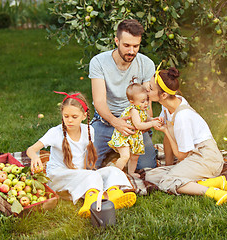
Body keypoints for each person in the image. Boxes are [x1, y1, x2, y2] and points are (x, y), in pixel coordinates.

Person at [26, 91, 136, 218]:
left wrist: (88, 173)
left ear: (84, 116)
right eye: (66, 116)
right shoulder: (55, 132)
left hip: (80, 175)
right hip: (58, 176)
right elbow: (31, 149)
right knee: (90, 176)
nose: (69, 120)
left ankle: (114, 195)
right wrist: (34, 157)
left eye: (74, 116)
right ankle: (90, 203)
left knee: (113, 171)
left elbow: (84, 158)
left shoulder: (89, 130)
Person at [145, 64, 227, 205]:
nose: (147, 88)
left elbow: (182, 155)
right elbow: (168, 140)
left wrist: (165, 131)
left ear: (163, 95)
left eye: (151, 88)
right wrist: (169, 166)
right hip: (192, 156)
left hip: (206, 158)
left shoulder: (183, 117)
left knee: (167, 182)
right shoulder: (167, 105)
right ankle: (214, 182)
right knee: (151, 176)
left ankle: (215, 192)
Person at [89, 19, 157, 169]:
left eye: (136, 46)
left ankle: (119, 152)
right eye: (127, 45)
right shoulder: (98, 62)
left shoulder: (146, 64)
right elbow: (99, 101)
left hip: (134, 125)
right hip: (105, 121)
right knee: (88, 166)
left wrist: (147, 123)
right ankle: (115, 150)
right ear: (116, 41)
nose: (131, 51)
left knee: (147, 168)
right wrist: (115, 122)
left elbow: (147, 102)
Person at [108, 82, 163, 177]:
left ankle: (131, 172)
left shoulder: (142, 109)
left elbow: (146, 118)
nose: (146, 103)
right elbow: (138, 125)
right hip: (124, 136)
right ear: (132, 102)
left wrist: (154, 119)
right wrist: (152, 124)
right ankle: (115, 174)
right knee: (125, 156)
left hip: (134, 137)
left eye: (147, 100)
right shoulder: (134, 111)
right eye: (142, 101)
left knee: (135, 156)